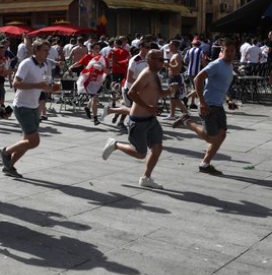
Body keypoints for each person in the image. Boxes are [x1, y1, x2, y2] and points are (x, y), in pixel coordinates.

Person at [102, 50, 178, 189]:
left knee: (157, 148)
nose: (163, 62)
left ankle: (146, 178)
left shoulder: (156, 75)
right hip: (139, 120)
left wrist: (170, 91)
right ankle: (115, 145)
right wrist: (148, 107)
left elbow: (159, 93)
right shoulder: (146, 74)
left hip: (151, 120)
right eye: (160, 60)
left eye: (163, 59)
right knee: (140, 154)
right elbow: (131, 93)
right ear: (150, 60)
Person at [173, 38, 238, 176]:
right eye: (228, 51)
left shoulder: (229, 65)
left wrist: (229, 100)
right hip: (208, 104)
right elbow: (198, 78)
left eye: (233, 51)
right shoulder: (216, 64)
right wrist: (202, 102)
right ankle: (187, 121)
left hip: (218, 105)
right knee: (210, 138)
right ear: (222, 51)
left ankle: (205, 164)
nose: (231, 53)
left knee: (221, 135)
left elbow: (222, 85)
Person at [0, 39, 52, 178]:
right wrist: (37, 85)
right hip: (22, 106)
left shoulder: (45, 64)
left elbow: (45, 82)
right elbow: (16, 84)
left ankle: (8, 166)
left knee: (27, 141)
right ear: (36, 51)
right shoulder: (26, 63)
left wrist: (51, 87)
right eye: (45, 50)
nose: (48, 53)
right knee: (34, 141)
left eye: (48, 50)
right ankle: (6, 152)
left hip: (34, 106)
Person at [165, 40, 188, 120]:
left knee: (175, 98)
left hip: (175, 78)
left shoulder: (177, 56)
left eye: (170, 45)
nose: (169, 47)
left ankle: (186, 112)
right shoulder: (173, 55)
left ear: (175, 46)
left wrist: (168, 65)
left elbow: (177, 67)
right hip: (172, 78)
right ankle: (172, 114)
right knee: (172, 97)